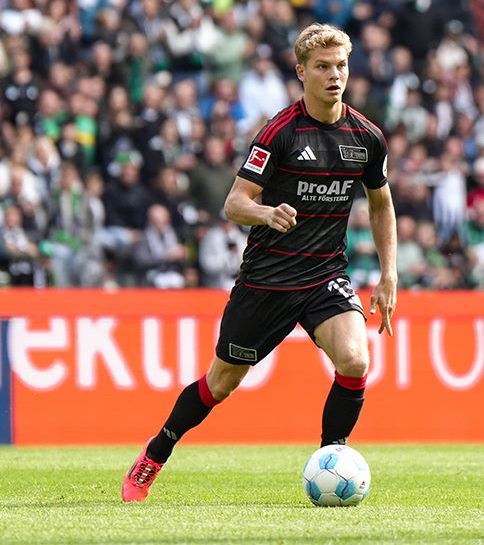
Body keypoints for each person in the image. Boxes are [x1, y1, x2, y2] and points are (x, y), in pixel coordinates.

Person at [122, 24, 398, 502]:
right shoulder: (280, 132)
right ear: (301, 72)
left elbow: (381, 205)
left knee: (355, 360)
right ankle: (155, 453)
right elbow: (234, 203)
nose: (335, 76)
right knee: (220, 383)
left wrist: (389, 273)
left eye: (341, 66)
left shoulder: (367, 137)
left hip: (325, 274)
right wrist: (267, 213)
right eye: (323, 67)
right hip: (268, 280)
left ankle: (331, 458)